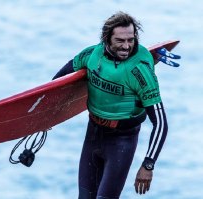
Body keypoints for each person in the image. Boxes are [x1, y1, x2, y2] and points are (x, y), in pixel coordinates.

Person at [53, 12, 168, 199]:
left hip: (122, 140)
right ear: (106, 38)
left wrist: (148, 165)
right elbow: (60, 80)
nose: (126, 46)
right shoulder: (92, 55)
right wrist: (46, 115)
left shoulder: (140, 70)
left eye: (131, 40)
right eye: (120, 40)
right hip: (93, 133)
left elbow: (161, 123)